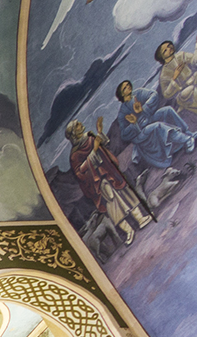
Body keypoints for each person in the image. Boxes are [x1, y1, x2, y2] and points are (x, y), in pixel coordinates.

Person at [66, 118, 151, 246]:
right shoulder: (75, 155)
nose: (81, 125)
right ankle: (128, 231)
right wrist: (93, 152)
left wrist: (99, 133)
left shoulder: (90, 138)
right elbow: (79, 172)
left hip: (109, 173)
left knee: (126, 196)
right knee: (113, 208)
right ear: (73, 133)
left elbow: (104, 144)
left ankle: (140, 219)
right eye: (77, 125)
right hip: (99, 184)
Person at [112, 79, 196, 186]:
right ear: (122, 94)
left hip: (150, 120)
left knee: (167, 110)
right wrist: (134, 123)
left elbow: (154, 95)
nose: (128, 86)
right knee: (159, 126)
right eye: (125, 87)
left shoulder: (138, 94)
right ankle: (187, 140)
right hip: (142, 135)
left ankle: (188, 133)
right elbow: (124, 134)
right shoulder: (123, 111)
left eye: (128, 84)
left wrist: (143, 108)